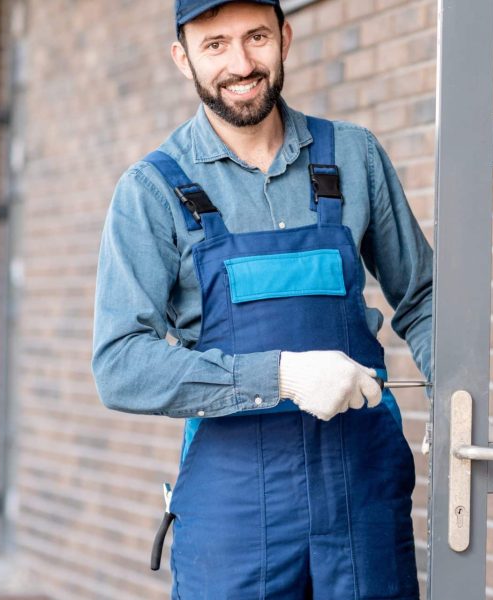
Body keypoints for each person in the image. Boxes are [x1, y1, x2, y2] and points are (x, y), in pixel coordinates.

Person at [90, 1, 433, 597]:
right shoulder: (151, 191)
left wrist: (454, 398)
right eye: (215, 44)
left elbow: (426, 296)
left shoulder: (354, 156)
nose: (241, 63)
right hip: (235, 517)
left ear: (285, 38)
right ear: (183, 58)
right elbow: (120, 365)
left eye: (256, 38)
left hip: (360, 502)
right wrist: (283, 376)